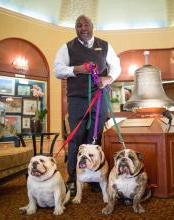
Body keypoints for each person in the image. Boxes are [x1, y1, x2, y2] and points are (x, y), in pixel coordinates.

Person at [53, 15, 121, 195]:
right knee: (77, 138)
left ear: (93, 26)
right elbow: (57, 70)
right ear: (75, 28)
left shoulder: (105, 45)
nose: (83, 28)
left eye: (86, 25)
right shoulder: (67, 47)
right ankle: (74, 178)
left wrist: (109, 78)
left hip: (99, 97)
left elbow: (116, 67)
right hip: (77, 99)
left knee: (95, 137)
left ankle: (94, 176)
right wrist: (77, 69)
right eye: (78, 25)